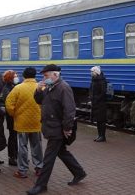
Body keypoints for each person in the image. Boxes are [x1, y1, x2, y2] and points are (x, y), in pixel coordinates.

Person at [27, 64, 86, 195]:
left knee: (48, 159)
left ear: (55, 75)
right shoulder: (49, 87)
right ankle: (79, 172)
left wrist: (67, 128)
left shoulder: (64, 88)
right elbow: (39, 101)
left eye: (46, 75)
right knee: (61, 152)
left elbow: (69, 110)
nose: (44, 78)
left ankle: (41, 185)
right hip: (50, 127)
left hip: (57, 129)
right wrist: (37, 89)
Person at [6, 67, 43, 178]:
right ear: (35, 75)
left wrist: (14, 114)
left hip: (22, 123)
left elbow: (9, 104)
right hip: (37, 122)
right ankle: (39, 168)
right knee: (37, 146)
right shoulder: (40, 88)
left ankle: (22, 170)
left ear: (24, 76)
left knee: (22, 147)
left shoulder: (18, 88)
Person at [1, 70, 20, 166]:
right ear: (10, 78)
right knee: (13, 137)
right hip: (11, 117)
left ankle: (16, 156)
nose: (17, 77)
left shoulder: (12, 87)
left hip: (14, 117)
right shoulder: (7, 89)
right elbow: (9, 104)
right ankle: (12, 158)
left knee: (15, 137)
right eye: (15, 76)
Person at [89, 66, 107, 142]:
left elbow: (103, 93)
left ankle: (102, 136)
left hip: (101, 104)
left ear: (96, 72)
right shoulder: (93, 80)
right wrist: (91, 97)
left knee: (101, 120)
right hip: (95, 103)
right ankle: (99, 135)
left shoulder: (102, 81)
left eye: (92, 72)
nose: (91, 73)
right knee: (98, 120)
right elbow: (91, 90)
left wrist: (96, 99)